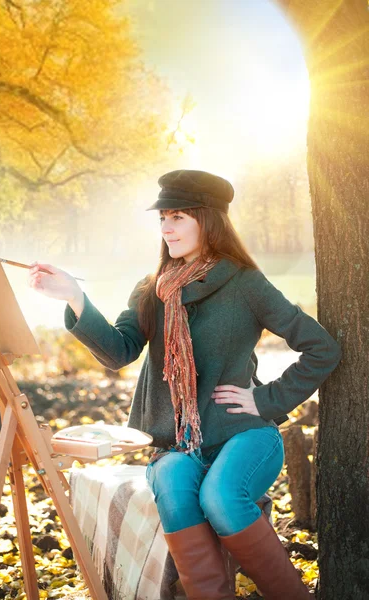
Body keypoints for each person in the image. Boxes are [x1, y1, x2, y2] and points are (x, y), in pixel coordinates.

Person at [29, 169, 342, 600]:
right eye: (162, 218)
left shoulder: (246, 283)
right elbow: (119, 351)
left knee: (221, 496)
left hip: (243, 433)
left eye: (177, 217)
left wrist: (265, 398)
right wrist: (73, 297)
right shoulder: (152, 288)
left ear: (207, 219)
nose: (166, 227)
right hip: (177, 442)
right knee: (174, 481)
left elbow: (321, 349)